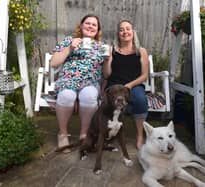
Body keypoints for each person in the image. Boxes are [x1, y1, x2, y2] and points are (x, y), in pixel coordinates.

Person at [50, 14, 104, 153]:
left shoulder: (101, 47)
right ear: (81, 25)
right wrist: (69, 49)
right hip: (69, 79)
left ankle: (84, 134)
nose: (90, 26)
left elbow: (107, 73)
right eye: (88, 23)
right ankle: (62, 134)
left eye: (94, 25)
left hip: (90, 82)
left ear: (98, 30)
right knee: (67, 96)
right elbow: (54, 63)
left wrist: (108, 59)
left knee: (90, 96)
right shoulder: (69, 40)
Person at [102, 20, 149, 149]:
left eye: (128, 29)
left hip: (132, 86)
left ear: (133, 32)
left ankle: (140, 135)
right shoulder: (112, 50)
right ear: (118, 34)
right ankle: (107, 134)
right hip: (114, 86)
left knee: (140, 99)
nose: (125, 32)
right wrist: (106, 61)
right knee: (108, 101)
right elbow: (106, 75)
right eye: (121, 29)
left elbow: (144, 75)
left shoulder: (141, 51)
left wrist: (129, 85)